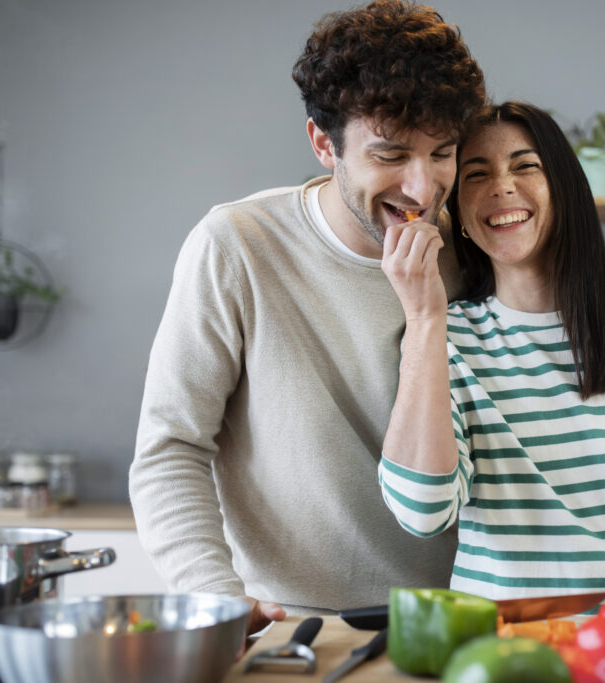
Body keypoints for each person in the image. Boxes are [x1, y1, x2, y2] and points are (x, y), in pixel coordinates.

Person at [129, 0, 486, 633]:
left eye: (442, 153)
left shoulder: (477, 249)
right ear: (324, 143)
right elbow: (171, 449)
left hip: (455, 622)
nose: (423, 188)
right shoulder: (238, 244)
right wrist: (215, 596)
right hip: (292, 626)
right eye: (389, 154)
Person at [379, 101, 605, 633]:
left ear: (566, 187)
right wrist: (422, 316)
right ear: (457, 214)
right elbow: (423, 510)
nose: (502, 187)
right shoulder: (446, 334)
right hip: (496, 648)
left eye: (526, 166)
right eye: (475, 174)